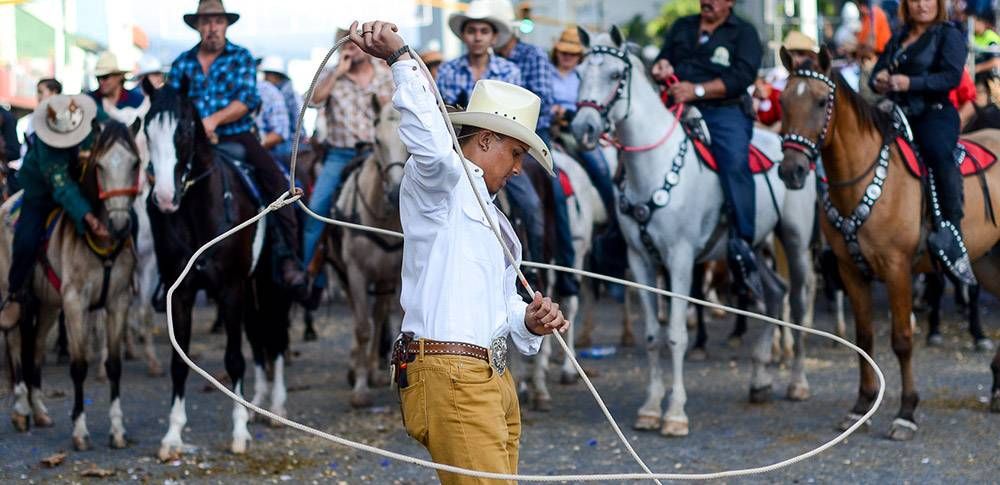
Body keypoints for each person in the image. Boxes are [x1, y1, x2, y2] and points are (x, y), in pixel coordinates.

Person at [346, 19, 569, 484]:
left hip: (491, 375)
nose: (517, 170)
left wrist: (526, 320)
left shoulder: (499, 223)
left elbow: (498, 302)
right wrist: (402, 61)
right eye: (515, 154)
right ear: (485, 140)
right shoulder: (440, 186)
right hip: (452, 375)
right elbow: (431, 149)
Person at [168, 0, 307, 293]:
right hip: (193, 142)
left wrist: (213, 121)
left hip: (236, 134)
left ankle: (288, 257)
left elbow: (247, 100)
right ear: (197, 26)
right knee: (160, 190)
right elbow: (173, 104)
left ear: (226, 24)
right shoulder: (182, 62)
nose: (212, 28)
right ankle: (166, 267)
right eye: (206, 22)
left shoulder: (240, 57)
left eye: (217, 21)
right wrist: (193, 129)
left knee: (278, 182)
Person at [651, 0, 765, 297]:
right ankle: (625, 232)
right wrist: (661, 67)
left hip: (723, 111)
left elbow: (742, 76)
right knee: (637, 150)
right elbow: (664, 58)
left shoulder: (745, 32)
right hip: (676, 105)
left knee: (735, 162)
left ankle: (742, 246)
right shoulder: (682, 26)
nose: (707, 2)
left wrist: (697, 90)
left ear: (729, 2)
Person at [871, 0, 974, 284]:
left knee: (938, 153)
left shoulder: (948, 34)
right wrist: (878, 79)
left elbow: (951, 77)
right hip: (897, 113)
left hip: (935, 114)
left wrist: (910, 83)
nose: (921, 4)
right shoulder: (900, 35)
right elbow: (876, 72)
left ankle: (951, 231)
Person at [0, 95, 111, 328]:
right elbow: (60, 185)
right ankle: (16, 294)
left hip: (86, 188)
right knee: (26, 240)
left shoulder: (96, 117)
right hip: (42, 194)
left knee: (127, 221)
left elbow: (113, 132)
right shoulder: (45, 142)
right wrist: (88, 217)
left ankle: (126, 280)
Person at [492, 2, 579, 296]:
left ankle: (563, 268)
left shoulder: (533, 56)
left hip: (533, 136)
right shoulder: (487, 61)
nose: (488, 35)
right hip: (491, 140)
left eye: (493, 28)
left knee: (555, 192)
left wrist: (515, 129)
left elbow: (541, 101)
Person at [304, 26, 394, 303]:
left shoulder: (386, 75)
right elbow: (312, 102)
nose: (351, 48)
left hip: (381, 155)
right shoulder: (332, 76)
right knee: (316, 210)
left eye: (356, 44)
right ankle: (306, 274)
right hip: (341, 155)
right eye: (346, 44)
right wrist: (337, 73)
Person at [258, 55, 303, 163]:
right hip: (276, 135)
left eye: (268, 75)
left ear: (276, 76)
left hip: (289, 139)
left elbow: (287, 128)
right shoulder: (270, 92)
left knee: (279, 161)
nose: (265, 78)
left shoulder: (287, 95)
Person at [255, 67, 290, 160]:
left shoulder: (272, 92)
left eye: (273, 75)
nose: (269, 77)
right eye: (268, 74)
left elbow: (280, 132)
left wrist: (253, 147)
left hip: (284, 142)